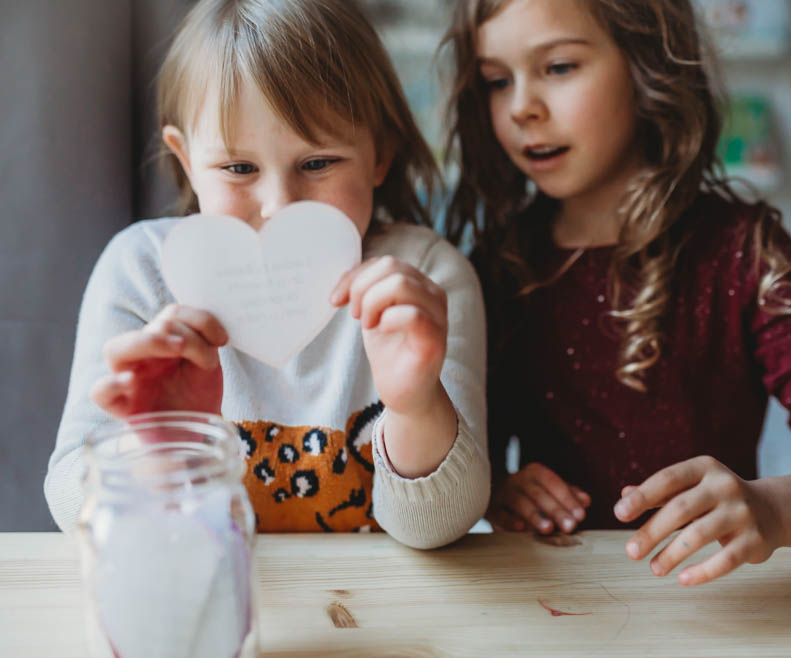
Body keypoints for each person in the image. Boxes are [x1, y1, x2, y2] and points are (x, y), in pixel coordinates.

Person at [442, 0, 791, 584]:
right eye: (495, 81)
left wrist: (772, 509)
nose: (521, 108)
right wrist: (496, 492)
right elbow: (460, 458)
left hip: (710, 599)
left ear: (648, 64)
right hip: (559, 602)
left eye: (559, 67)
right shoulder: (497, 267)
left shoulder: (745, 252)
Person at [45, 0, 489, 549]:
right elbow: (71, 501)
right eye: (239, 168)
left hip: (383, 614)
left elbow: (443, 525)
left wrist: (415, 404)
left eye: (317, 163)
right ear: (186, 160)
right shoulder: (140, 273)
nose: (279, 204)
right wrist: (161, 450)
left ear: (379, 154)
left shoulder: (423, 280)